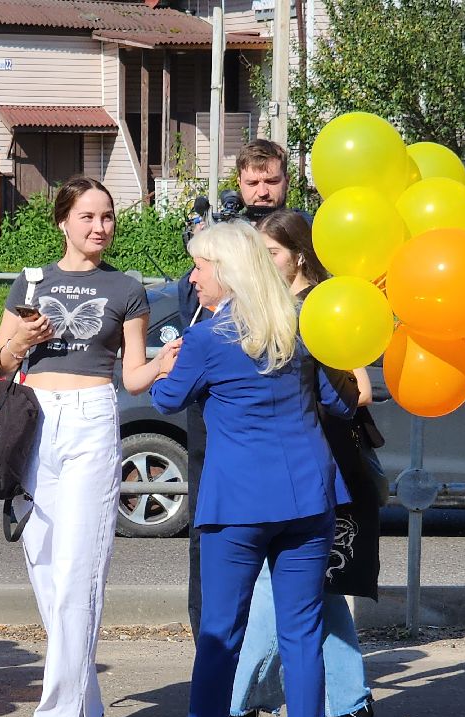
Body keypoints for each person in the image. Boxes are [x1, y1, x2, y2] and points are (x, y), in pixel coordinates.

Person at [151, 222, 350, 717]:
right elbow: (337, 402)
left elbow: (166, 398)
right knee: (302, 634)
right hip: (307, 494)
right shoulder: (301, 326)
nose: (193, 277)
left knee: (220, 635)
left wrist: (167, 360)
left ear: (227, 271)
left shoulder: (208, 337)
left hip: (236, 503)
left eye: (200, 266)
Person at [0, 176, 161, 717]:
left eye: (107, 216)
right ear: (63, 221)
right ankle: (86, 703)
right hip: (34, 418)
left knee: (80, 567)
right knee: (43, 561)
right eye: (87, 216)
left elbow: (133, 376)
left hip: (91, 417)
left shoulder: (126, 288)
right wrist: (21, 340)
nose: (99, 227)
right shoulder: (31, 282)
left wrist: (165, 361)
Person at [228, 210, 382, 717]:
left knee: (278, 584)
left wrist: (301, 394)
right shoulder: (271, 307)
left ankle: (235, 702)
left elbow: (361, 389)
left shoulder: (321, 307)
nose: (264, 262)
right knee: (318, 585)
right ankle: (350, 700)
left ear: (299, 255)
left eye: (272, 252)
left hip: (322, 466)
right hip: (291, 463)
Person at [177, 139, 295, 637]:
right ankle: (212, 636)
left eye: (271, 181)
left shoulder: (300, 235)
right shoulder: (218, 237)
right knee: (211, 525)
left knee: (287, 536)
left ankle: (273, 646)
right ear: (239, 184)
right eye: (253, 182)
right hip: (219, 412)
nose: (262, 191)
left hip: (283, 407)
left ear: (287, 181)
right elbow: (192, 311)